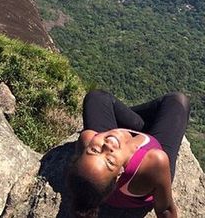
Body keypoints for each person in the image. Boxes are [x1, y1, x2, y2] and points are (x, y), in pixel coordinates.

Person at [66, 90, 190, 218]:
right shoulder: (153, 163)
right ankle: (154, 125)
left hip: (116, 166)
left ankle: (148, 126)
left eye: (95, 150)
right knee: (178, 100)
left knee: (96, 97)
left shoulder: (87, 138)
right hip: (150, 160)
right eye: (110, 161)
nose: (107, 146)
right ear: (119, 174)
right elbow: (165, 210)